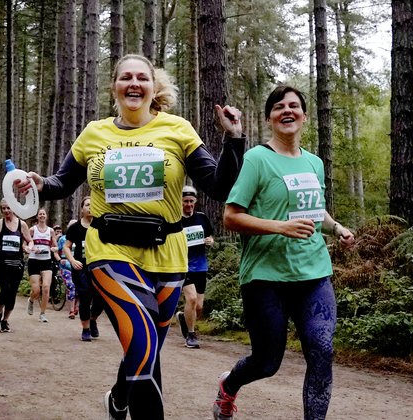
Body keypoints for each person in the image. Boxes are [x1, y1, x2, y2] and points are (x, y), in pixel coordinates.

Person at [15, 53, 246, 419]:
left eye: (142, 78)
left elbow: (219, 187)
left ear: (154, 87)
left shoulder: (178, 129)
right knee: (143, 344)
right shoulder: (95, 133)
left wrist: (233, 140)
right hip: (110, 250)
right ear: (115, 87)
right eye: (126, 78)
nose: (134, 84)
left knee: (146, 348)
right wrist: (40, 184)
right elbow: (63, 182)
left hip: (168, 254)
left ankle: (119, 399)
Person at [215, 85, 355, 420]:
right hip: (266, 277)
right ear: (269, 118)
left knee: (322, 351)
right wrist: (280, 227)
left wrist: (336, 228)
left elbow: (314, 211)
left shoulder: (314, 163)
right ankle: (229, 386)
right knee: (266, 363)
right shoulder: (257, 159)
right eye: (279, 107)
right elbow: (231, 217)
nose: (287, 111)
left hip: (313, 274)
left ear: (304, 116)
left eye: (294, 106)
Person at [176, 185, 215, 348]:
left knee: (198, 307)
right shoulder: (175, 220)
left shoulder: (202, 218)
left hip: (200, 266)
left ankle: (182, 318)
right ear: (180, 201)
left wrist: (210, 241)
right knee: (191, 299)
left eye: (191, 201)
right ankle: (191, 336)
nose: (189, 205)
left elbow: (210, 236)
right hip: (183, 266)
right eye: (185, 201)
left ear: (195, 201)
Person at [0, 198, 33, 333]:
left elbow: (30, 241)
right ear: (1, 210)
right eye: (4, 208)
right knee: (5, 289)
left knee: (12, 292)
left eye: (9, 208)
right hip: (2, 263)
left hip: (17, 264)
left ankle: (5, 320)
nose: (6, 211)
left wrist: (28, 248)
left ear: (14, 208)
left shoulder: (22, 224)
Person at [64, 196, 105, 341]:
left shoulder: (101, 225)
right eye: (87, 205)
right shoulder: (75, 228)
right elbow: (66, 247)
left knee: (101, 299)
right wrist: (72, 260)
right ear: (82, 209)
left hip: (99, 268)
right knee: (85, 296)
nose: (90, 207)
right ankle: (86, 329)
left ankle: (93, 319)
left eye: (93, 205)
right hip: (81, 267)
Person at [25, 208, 59, 323]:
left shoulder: (50, 231)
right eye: (40, 214)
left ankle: (43, 314)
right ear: (37, 216)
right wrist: (31, 248)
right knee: (36, 290)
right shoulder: (32, 230)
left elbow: (55, 245)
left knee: (45, 287)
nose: (42, 216)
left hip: (46, 260)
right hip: (34, 260)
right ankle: (31, 300)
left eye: (44, 214)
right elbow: (25, 244)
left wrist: (54, 248)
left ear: (46, 216)